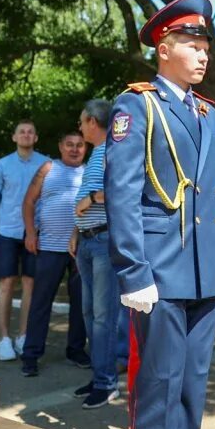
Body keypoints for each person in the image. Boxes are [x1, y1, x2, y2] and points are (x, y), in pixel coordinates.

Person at [105, 0, 215, 429]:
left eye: (205, 47)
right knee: (159, 386)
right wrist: (133, 272)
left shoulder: (208, 112)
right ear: (163, 47)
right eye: (192, 44)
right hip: (159, 270)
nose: (203, 55)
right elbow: (122, 196)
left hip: (203, 270)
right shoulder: (135, 106)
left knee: (193, 383)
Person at [19, 131, 89, 377]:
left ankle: (76, 350)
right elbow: (28, 202)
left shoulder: (90, 172)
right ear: (60, 146)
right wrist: (29, 233)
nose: (74, 149)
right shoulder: (48, 168)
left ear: (85, 148)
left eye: (79, 145)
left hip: (81, 250)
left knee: (80, 303)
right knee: (40, 303)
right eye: (69, 144)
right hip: (48, 247)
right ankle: (31, 354)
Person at [0, 120, 48, 361]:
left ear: (36, 137)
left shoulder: (46, 164)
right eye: (22, 132)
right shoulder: (3, 165)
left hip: (35, 232)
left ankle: (23, 336)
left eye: (31, 131)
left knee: (30, 284)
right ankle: (4, 338)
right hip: (8, 232)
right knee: (7, 283)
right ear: (14, 137)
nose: (26, 135)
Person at [70, 99, 121, 409]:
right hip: (88, 243)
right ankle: (99, 375)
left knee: (104, 317)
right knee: (90, 313)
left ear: (92, 121)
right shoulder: (96, 155)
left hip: (103, 242)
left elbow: (122, 190)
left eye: (81, 121)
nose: (79, 126)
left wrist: (89, 199)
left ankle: (107, 384)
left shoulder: (113, 150)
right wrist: (76, 231)